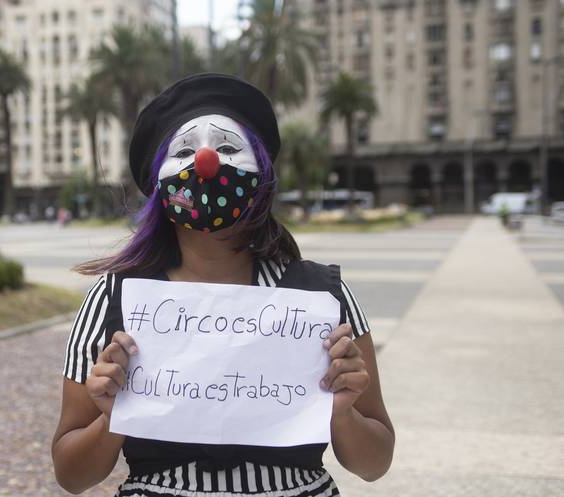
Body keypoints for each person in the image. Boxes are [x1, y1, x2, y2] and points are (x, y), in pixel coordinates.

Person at [51, 73, 394, 497]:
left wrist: (343, 413)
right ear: (159, 183)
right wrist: (113, 417)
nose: (207, 161)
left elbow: (375, 463)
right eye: (185, 151)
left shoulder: (323, 298)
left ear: (262, 174)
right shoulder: (113, 299)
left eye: (229, 147)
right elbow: (71, 474)